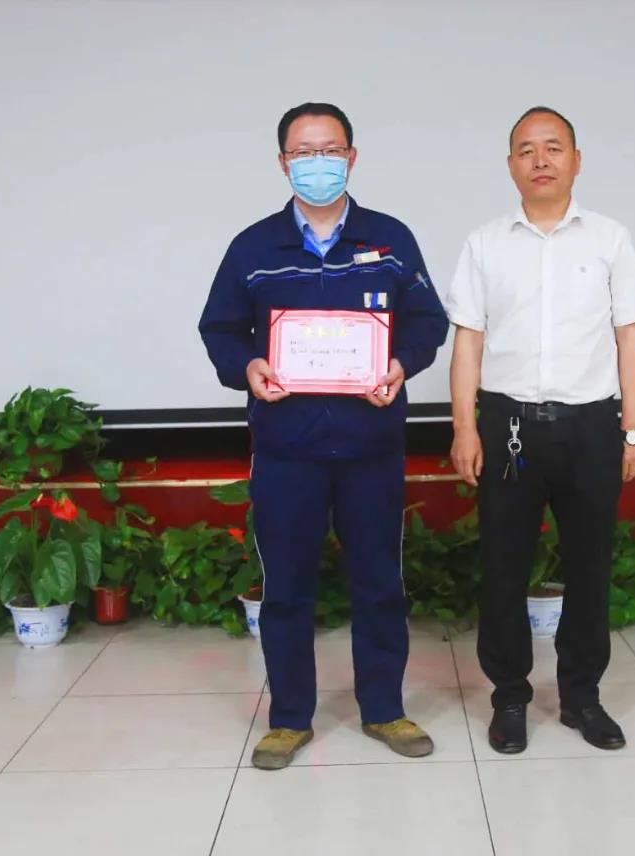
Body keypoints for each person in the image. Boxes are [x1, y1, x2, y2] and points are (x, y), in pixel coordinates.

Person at [199, 102, 449, 770]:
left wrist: (401, 364)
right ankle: (288, 718)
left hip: (372, 447)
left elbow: (427, 320)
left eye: (330, 150)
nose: (318, 163)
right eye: (303, 152)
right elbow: (219, 328)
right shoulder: (253, 247)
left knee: (379, 582)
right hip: (286, 449)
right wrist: (247, 367)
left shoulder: (390, 238)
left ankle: (384, 708)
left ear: (352, 157)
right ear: (283, 163)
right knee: (285, 588)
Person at [444, 106, 635, 754]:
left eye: (554, 147)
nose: (540, 160)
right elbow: (467, 342)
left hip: (591, 427)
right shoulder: (485, 243)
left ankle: (582, 697)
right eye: (527, 149)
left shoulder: (610, 239)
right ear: (511, 165)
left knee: (590, 568)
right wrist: (464, 428)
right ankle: (510, 697)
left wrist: (633, 431)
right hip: (507, 425)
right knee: (503, 567)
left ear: (576, 161)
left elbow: (630, 338)